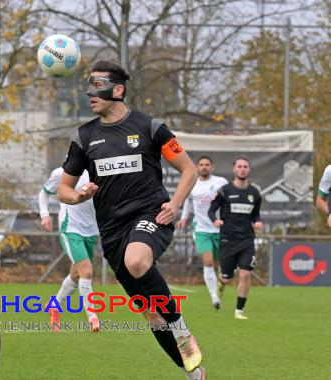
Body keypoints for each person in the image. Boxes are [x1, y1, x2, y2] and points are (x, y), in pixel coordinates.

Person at [57, 60, 204, 379]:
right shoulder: (84, 137)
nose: (89, 93)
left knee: (137, 260)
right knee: (151, 313)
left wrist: (176, 203)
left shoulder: (150, 126)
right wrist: (79, 196)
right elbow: (62, 190)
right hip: (111, 232)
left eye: (97, 86)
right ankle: (194, 373)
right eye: (88, 86)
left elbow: (189, 169)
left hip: (152, 215)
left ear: (118, 90)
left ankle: (181, 330)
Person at [38, 166, 100, 331]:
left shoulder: (99, 170)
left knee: (76, 274)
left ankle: (55, 305)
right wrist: (45, 215)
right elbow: (44, 192)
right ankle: (93, 318)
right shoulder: (62, 173)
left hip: (92, 231)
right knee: (86, 271)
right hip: (70, 228)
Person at [208, 156, 262, 320]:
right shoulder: (224, 191)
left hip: (246, 239)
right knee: (227, 277)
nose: (242, 169)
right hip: (227, 239)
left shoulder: (254, 193)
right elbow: (211, 210)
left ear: (249, 169)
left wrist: (258, 222)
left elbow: (256, 214)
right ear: (234, 169)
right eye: (239, 166)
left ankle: (239, 311)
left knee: (245, 274)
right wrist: (215, 220)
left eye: (245, 166)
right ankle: (221, 283)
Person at [177, 156, 228, 309]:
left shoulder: (221, 182)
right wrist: (184, 218)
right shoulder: (193, 183)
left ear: (212, 167)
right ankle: (214, 296)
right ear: (197, 167)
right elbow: (188, 200)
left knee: (222, 266)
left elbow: (229, 199)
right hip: (201, 228)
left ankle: (219, 285)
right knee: (208, 261)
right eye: (201, 165)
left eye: (207, 165)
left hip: (220, 228)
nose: (204, 167)